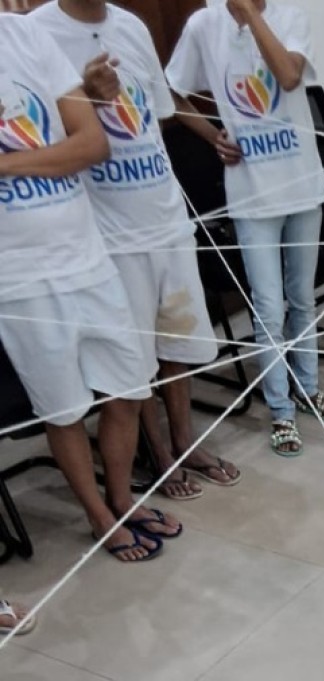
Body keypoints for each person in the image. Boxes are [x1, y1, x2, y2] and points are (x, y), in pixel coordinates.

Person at [32, 0, 241, 499]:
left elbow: (158, 115)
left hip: (166, 217)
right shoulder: (38, 33)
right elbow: (38, 139)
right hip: (111, 235)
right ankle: (159, 453)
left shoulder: (131, 26)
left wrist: (211, 134)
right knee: (135, 360)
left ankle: (185, 441)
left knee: (177, 343)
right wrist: (88, 96)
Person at [0, 12, 179, 562]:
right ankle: (99, 515)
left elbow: (91, 145)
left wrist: (7, 165)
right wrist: (48, 159)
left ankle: (122, 498)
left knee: (130, 387)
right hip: (18, 277)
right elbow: (69, 146)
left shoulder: (23, 34)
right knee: (64, 409)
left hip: (86, 253)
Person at [167, 0, 324, 456]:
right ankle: (281, 411)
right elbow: (170, 93)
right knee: (267, 308)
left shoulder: (290, 15)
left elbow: (288, 76)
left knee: (302, 298)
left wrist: (251, 16)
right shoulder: (203, 25)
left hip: (302, 185)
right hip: (251, 196)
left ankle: (308, 389)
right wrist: (213, 135)